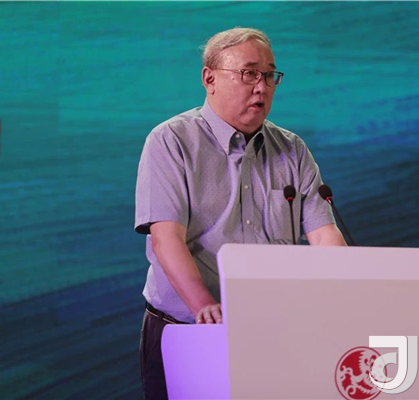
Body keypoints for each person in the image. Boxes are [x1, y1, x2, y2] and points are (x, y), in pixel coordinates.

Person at [134, 27, 346, 399]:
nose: (261, 87)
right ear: (209, 79)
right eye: (249, 74)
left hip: (273, 334)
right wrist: (205, 308)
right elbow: (166, 239)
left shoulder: (292, 149)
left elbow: (325, 236)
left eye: (269, 75)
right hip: (187, 331)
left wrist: (350, 294)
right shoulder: (171, 141)